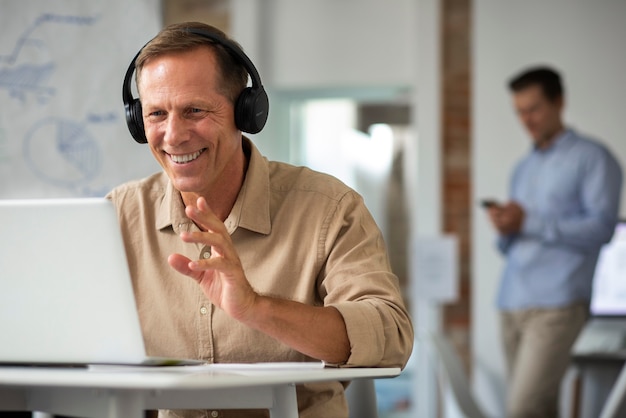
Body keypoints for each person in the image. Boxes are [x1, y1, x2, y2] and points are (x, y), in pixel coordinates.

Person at [108, 21, 414, 418]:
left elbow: (391, 335)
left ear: (246, 112)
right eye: (156, 114)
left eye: (194, 111)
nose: (173, 135)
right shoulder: (118, 215)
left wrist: (257, 308)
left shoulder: (330, 208)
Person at [484, 66, 622, 418]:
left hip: (557, 305)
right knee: (539, 410)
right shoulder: (522, 167)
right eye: (519, 111)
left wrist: (528, 221)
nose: (525, 119)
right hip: (511, 302)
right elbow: (517, 242)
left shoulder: (593, 158)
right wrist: (507, 229)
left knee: (522, 410)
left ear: (559, 102)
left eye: (533, 108)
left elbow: (602, 229)